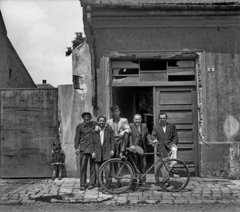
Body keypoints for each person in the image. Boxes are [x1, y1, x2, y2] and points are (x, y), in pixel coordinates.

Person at [151, 112, 178, 186]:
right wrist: (154, 139)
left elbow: (175, 136)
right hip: (161, 147)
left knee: (167, 161)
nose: (163, 120)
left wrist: (173, 143)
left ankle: (171, 168)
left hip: (170, 146)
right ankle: (166, 181)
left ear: (166, 119)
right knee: (164, 164)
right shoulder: (156, 127)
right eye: (161, 118)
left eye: (164, 118)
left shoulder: (172, 126)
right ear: (159, 119)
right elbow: (153, 135)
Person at [74, 112, 98, 190]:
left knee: (93, 166)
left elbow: (103, 124)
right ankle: (83, 184)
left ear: (90, 118)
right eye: (85, 117)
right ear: (83, 118)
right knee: (83, 167)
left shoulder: (95, 124)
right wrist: (76, 148)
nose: (87, 118)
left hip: (93, 149)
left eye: (88, 117)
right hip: (83, 149)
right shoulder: (79, 126)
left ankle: (92, 183)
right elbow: (77, 138)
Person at [91, 116, 114, 191]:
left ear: (105, 122)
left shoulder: (109, 129)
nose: (102, 122)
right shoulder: (94, 130)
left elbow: (112, 141)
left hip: (106, 151)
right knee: (98, 170)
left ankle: (108, 185)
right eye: (100, 121)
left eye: (103, 121)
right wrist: (93, 152)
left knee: (107, 170)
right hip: (97, 152)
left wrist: (112, 150)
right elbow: (92, 143)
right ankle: (100, 185)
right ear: (98, 122)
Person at [129, 114, 153, 186]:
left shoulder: (144, 126)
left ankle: (142, 181)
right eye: (136, 119)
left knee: (143, 165)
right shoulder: (131, 126)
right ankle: (134, 182)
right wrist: (131, 145)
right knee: (135, 165)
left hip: (142, 148)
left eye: (139, 119)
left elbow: (147, 135)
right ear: (133, 120)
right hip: (134, 148)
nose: (137, 121)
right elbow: (129, 136)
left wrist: (150, 141)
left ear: (141, 120)